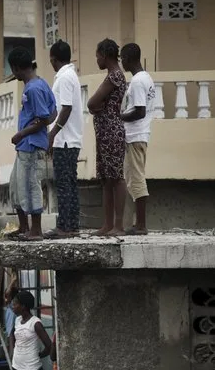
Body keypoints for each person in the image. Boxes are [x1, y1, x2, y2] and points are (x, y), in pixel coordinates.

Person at [6, 47, 56, 241]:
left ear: (17, 68)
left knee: (30, 185)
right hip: (26, 145)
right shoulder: (40, 83)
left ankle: (36, 230)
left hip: (31, 145)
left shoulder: (34, 89)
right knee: (16, 186)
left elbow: (44, 118)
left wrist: (21, 134)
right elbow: (53, 112)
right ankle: (24, 226)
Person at [87, 39, 128, 236]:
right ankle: (107, 225)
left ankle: (118, 225)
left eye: (97, 56)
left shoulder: (115, 76)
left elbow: (92, 102)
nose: (97, 60)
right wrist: (96, 107)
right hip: (105, 132)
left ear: (105, 54)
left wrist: (97, 107)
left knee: (116, 177)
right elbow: (94, 104)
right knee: (106, 179)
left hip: (112, 131)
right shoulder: (112, 76)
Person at [46, 40, 83, 239]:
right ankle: (71, 225)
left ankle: (65, 227)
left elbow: (66, 108)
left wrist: (53, 134)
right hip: (68, 138)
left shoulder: (65, 78)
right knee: (69, 183)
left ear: (53, 59)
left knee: (64, 184)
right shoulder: (69, 76)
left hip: (66, 140)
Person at [120, 42, 155, 236]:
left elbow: (139, 111)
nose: (122, 62)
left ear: (129, 59)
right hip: (138, 134)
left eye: (122, 58)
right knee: (132, 178)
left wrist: (119, 117)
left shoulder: (138, 81)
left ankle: (140, 225)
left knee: (136, 178)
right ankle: (137, 223)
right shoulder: (146, 78)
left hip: (135, 135)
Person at [10, 291, 52, 370]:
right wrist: (12, 350)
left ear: (23, 306)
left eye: (15, 304)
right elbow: (12, 334)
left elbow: (49, 345)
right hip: (16, 367)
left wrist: (40, 355)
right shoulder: (17, 320)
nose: (13, 306)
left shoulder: (35, 323)